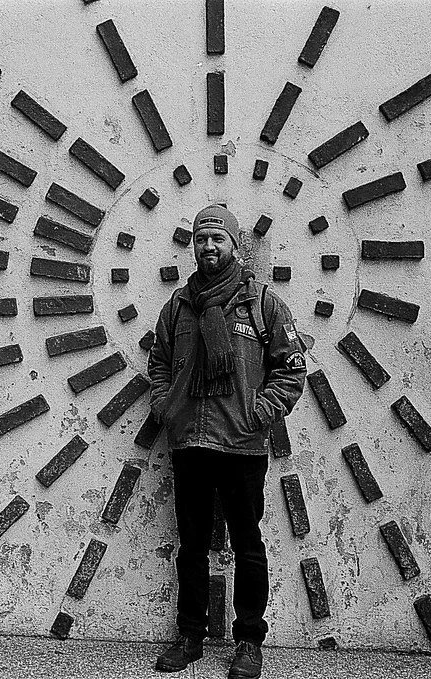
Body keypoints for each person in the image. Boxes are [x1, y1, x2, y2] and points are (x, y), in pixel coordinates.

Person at [148, 204, 306, 678]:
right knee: (191, 545)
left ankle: (249, 642)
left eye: (217, 239)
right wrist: (165, 407)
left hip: (242, 445)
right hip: (191, 442)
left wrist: (258, 413)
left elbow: (291, 370)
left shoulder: (263, 304)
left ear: (235, 245)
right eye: (201, 239)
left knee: (247, 545)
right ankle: (191, 635)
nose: (208, 247)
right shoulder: (178, 306)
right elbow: (159, 361)